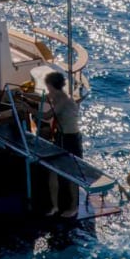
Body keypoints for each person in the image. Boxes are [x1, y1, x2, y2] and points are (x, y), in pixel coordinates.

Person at [43, 70, 82, 217]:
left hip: (70, 139)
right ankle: (54, 206)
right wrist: (24, 96)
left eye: (48, 86)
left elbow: (46, 116)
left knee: (72, 174)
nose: (47, 89)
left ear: (52, 86)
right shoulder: (58, 96)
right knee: (52, 171)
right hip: (61, 137)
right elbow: (45, 98)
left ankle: (74, 207)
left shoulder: (64, 101)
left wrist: (26, 108)